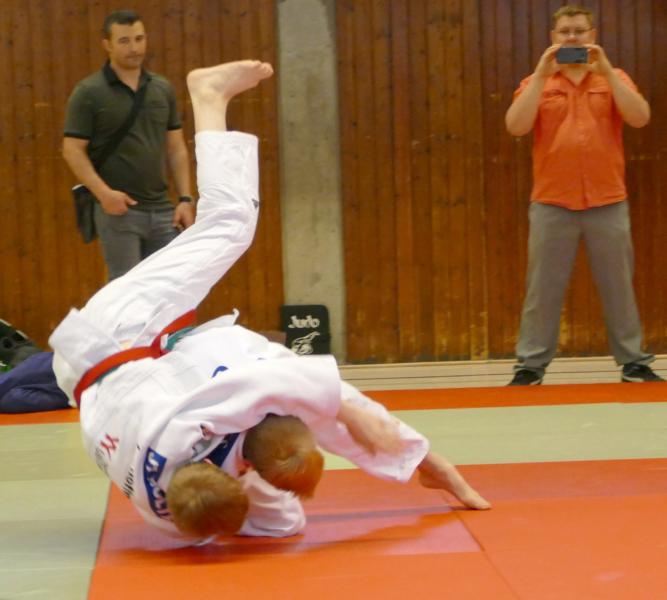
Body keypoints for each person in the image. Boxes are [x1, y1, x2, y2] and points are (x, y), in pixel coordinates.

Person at [50, 60, 489, 544]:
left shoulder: (204, 422)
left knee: (231, 224)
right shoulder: (164, 513)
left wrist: (413, 454)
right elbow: (284, 521)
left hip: (121, 332)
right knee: (273, 372)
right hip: (87, 372)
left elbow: (311, 394)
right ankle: (209, 97)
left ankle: (210, 98)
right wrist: (408, 455)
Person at [505, 4, 664, 386]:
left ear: (593, 36)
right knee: (542, 289)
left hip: (607, 201)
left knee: (618, 286)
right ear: (553, 38)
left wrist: (606, 71)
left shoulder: (614, 78)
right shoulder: (536, 82)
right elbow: (516, 126)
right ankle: (530, 366)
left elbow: (640, 116)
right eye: (565, 32)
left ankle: (633, 363)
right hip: (552, 202)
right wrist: (541, 76)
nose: (572, 37)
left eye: (579, 31)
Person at [62, 10, 195, 280]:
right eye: (124, 41)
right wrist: (104, 194)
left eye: (139, 39)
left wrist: (185, 199)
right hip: (119, 212)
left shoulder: (162, 88)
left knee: (168, 287)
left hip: (163, 211)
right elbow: (72, 150)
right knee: (126, 290)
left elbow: (176, 148)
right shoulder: (89, 92)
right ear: (107, 44)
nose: (134, 48)